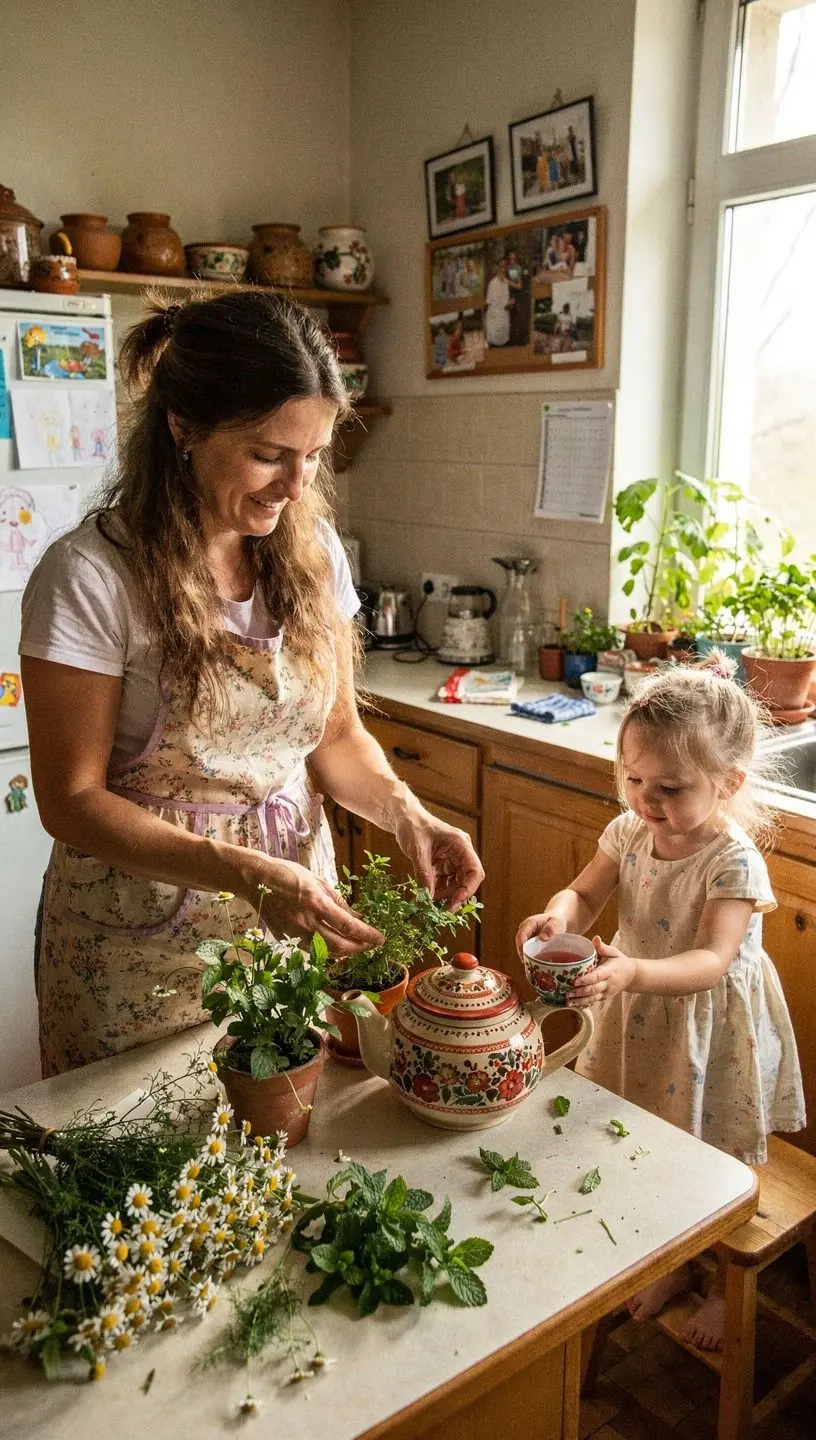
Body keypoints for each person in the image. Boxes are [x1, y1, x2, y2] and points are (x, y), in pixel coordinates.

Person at [21, 290, 484, 1078]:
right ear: (183, 428)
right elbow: (71, 801)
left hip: (289, 926)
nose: (295, 485)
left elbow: (334, 740)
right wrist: (242, 873)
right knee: (143, 1171)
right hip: (136, 944)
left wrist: (410, 818)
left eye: (313, 455)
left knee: (283, 1159)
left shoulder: (313, 556)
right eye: (269, 454)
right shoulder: (92, 575)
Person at [516, 655, 805, 1350]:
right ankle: (673, 1262)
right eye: (634, 779)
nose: (647, 800)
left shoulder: (733, 861)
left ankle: (717, 1285)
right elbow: (585, 894)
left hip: (707, 1024)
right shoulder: (628, 831)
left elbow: (711, 960)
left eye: (669, 787)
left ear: (728, 783)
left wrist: (629, 972)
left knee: (716, 1153)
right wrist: (559, 917)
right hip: (639, 1004)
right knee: (652, 1136)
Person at [484, 259, 513, 347]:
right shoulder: (492, 283)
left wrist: (509, 303)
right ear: (497, 268)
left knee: (503, 342)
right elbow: (490, 302)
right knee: (493, 342)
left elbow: (506, 301)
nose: (502, 269)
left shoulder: (506, 282)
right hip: (495, 318)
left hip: (504, 317)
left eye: (504, 267)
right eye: (500, 267)